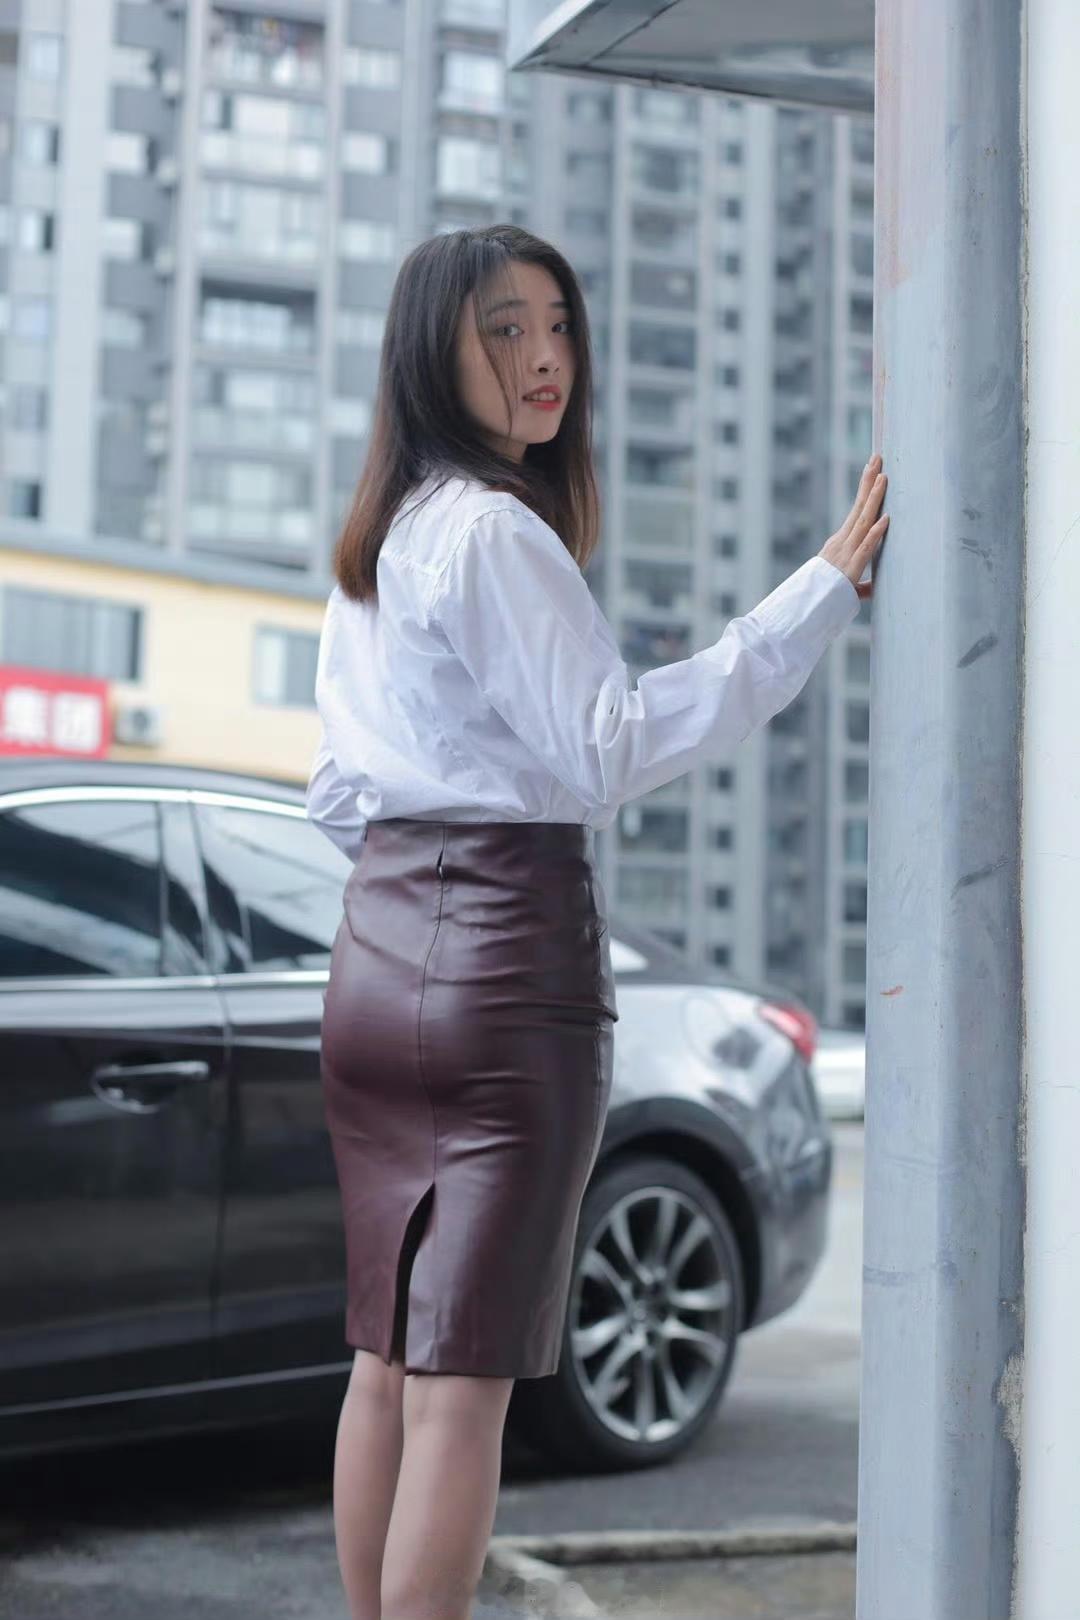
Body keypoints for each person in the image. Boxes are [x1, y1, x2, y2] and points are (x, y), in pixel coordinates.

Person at [305, 223, 889, 1620]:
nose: (545, 358)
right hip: (505, 965)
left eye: (558, 324)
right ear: (433, 353)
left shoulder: (377, 547)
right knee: (464, 1385)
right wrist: (813, 598)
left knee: (385, 1360)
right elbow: (609, 745)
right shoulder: (495, 534)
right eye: (504, 330)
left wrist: (420, 887)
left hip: (375, 962)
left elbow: (335, 792)